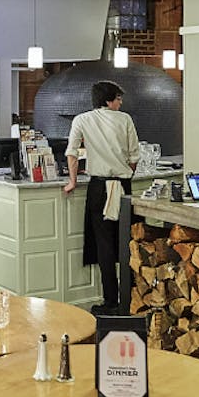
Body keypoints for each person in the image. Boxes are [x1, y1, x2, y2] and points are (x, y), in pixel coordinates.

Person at [62, 80, 140, 316]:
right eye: (118, 98)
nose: (120, 102)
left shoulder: (82, 120)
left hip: (98, 187)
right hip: (123, 186)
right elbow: (134, 156)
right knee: (126, 241)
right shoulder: (125, 119)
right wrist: (126, 174)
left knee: (104, 244)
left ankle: (110, 301)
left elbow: (72, 153)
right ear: (108, 100)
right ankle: (129, 296)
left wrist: (72, 182)